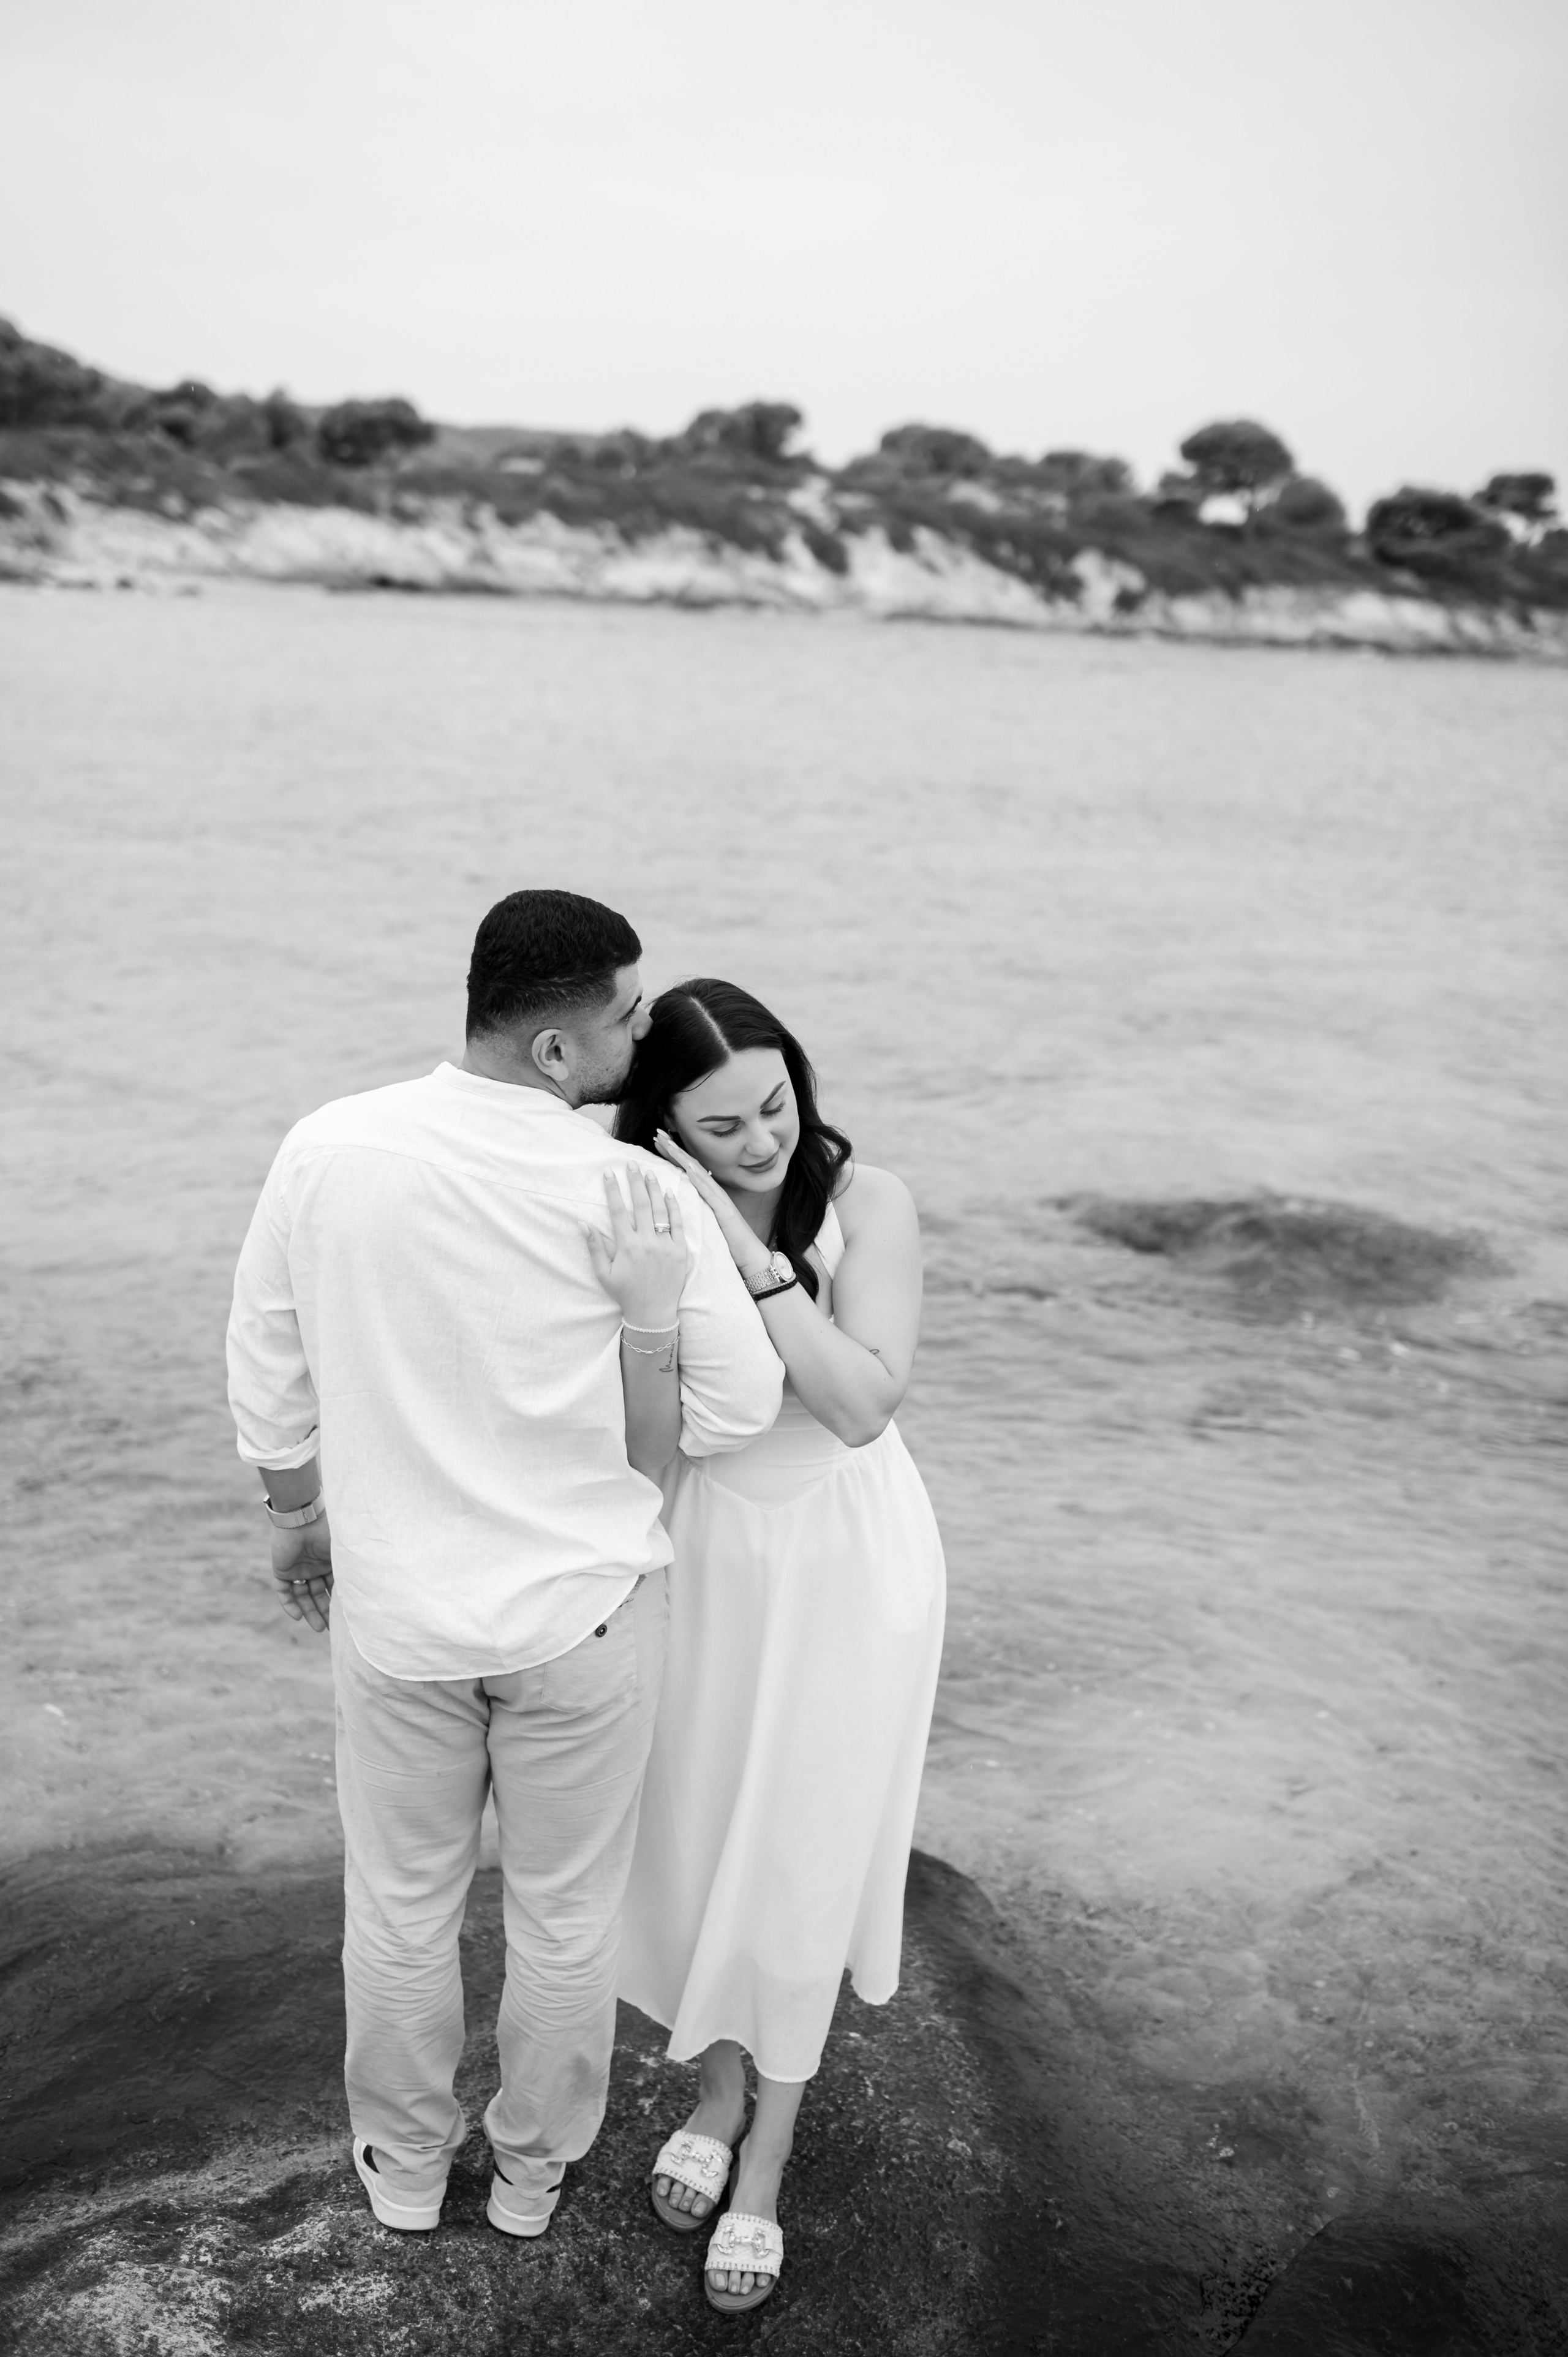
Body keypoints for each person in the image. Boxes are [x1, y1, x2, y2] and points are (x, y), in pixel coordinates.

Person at [225, 892, 782, 2240]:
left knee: (400, 1909)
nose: (642, 1038)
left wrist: (296, 1512)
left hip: (399, 1619)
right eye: (627, 1018)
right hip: (582, 1622)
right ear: (553, 1050)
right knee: (565, 1918)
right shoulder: (634, 1193)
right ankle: (530, 2178)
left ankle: (405, 2171)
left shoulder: (329, 1145)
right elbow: (742, 1408)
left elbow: (267, 1356)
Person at [611, 978, 946, 2315]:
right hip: (705, 1542)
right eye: (721, 1127)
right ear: (665, 1128)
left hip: (846, 1552)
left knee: (806, 1847)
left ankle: (767, 2155)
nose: (760, 1142)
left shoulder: (871, 1204)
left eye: (775, 1105)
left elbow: (862, 1402)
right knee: (691, 1825)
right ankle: (714, 2087)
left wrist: (755, 1262)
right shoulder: (645, 1213)